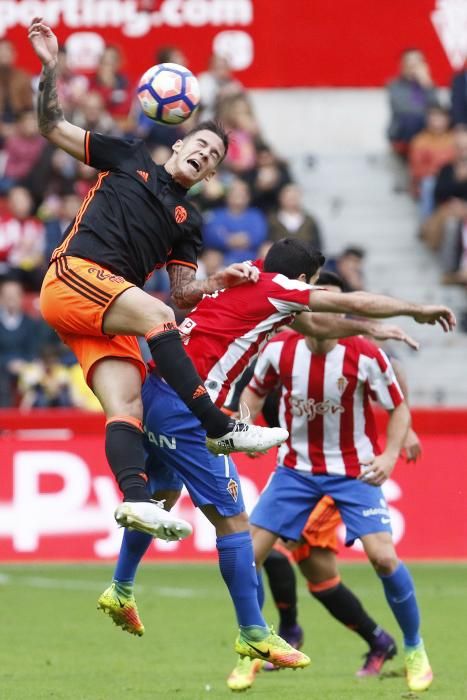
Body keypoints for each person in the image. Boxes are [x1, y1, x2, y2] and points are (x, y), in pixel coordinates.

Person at [97, 239, 452, 685]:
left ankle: (121, 587)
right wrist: (414, 310)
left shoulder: (242, 281)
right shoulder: (279, 289)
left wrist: (370, 331)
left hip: (155, 393)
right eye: (314, 285)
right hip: (191, 409)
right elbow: (348, 300)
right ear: (302, 280)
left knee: (161, 499)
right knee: (234, 525)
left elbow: (319, 322)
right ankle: (253, 634)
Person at [28, 17, 288, 543]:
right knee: (158, 317)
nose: (204, 154)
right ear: (177, 143)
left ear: (212, 174)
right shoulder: (127, 158)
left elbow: (185, 296)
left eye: (214, 156)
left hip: (105, 307)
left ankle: (136, 500)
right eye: (199, 144)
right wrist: (50, 69)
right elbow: (52, 127)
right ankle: (220, 427)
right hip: (72, 278)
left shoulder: (189, 223)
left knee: (129, 405)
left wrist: (219, 279)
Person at [235, 275, 435, 694]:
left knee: (382, 558)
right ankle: (251, 646)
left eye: (330, 306)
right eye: (313, 305)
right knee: (245, 557)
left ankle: (415, 649)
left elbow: (398, 409)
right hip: (295, 470)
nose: (320, 314)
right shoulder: (279, 350)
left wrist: (388, 455)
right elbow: (252, 395)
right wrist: (245, 424)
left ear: (343, 314)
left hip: (352, 470)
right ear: (302, 310)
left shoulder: (365, 355)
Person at [387, 48, 438, 156]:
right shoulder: (395, 85)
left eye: (417, 62)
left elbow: (436, 109)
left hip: (426, 129)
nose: (413, 66)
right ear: (403, 65)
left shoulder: (427, 84)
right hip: (403, 130)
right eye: (410, 62)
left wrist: (427, 84)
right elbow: (403, 109)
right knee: (413, 119)